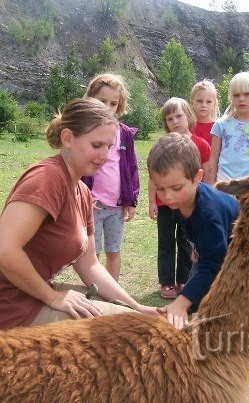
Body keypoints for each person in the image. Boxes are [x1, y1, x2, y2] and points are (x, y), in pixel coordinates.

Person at [0, 98, 158, 330]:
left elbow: (90, 265)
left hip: (31, 296)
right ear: (67, 139)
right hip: (12, 307)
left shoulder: (82, 192)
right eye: (96, 145)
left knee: (135, 319)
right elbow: (5, 249)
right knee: (130, 332)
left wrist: (136, 306)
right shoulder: (47, 179)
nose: (105, 155)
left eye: (109, 146)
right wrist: (51, 297)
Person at [147, 132, 239, 329]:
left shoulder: (208, 214)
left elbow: (214, 264)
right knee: (194, 300)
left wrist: (181, 303)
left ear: (197, 177)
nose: (168, 197)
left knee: (218, 315)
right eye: (160, 189)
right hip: (213, 254)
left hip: (239, 262)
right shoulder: (181, 201)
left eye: (176, 188)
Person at [148, 97, 211, 299]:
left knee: (186, 240)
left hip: (189, 204)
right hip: (164, 202)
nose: (175, 121)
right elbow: (153, 176)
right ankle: (166, 282)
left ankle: (184, 279)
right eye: (169, 118)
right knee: (165, 242)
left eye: (179, 116)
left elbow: (206, 175)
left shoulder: (200, 144)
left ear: (189, 116)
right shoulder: (161, 145)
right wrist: (151, 201)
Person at [81, 73, 140, 281]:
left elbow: (132, 168)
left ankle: (111, 295)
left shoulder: (124, 134)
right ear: (90, 99)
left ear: (120, 105)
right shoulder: (85, 131)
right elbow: (78, 167)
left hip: (116, 206)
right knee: (91, 254)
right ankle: (94, 292)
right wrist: (84, 196)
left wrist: (131, 201)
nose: (107, 107)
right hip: (92, 205)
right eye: (102, 101)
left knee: (113, 251)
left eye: (113, 103)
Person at [207, 71, 249, 184]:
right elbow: (213, 161)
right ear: (231, 97)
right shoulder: (221, 125)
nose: (241, 99)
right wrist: (212, 189)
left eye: (247, 94)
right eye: (236, 95)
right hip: (224, 185)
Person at [190, 79, 220, 145]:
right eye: (199, 101)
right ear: (192, 103)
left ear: (214, 104)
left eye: (208, 102)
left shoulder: (219, 127)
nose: (204, 105)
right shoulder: (188, 126)